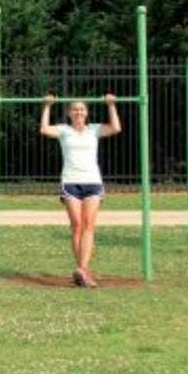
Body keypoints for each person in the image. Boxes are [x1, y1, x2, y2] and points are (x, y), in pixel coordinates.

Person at [40, 94, 121, 287]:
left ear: (87, 113)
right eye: (75, 109)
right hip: (70, 182)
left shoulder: (94, 130)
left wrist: (111, 105)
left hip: (92, 181)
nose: (79, 112)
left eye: (82, 109)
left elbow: (116, 128)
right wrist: (47, 106)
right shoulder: (64, 130)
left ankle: (82, 270)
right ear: (69, 113)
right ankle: (82, 270)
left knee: (88, 225)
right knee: (76, 226)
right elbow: (44, 129)